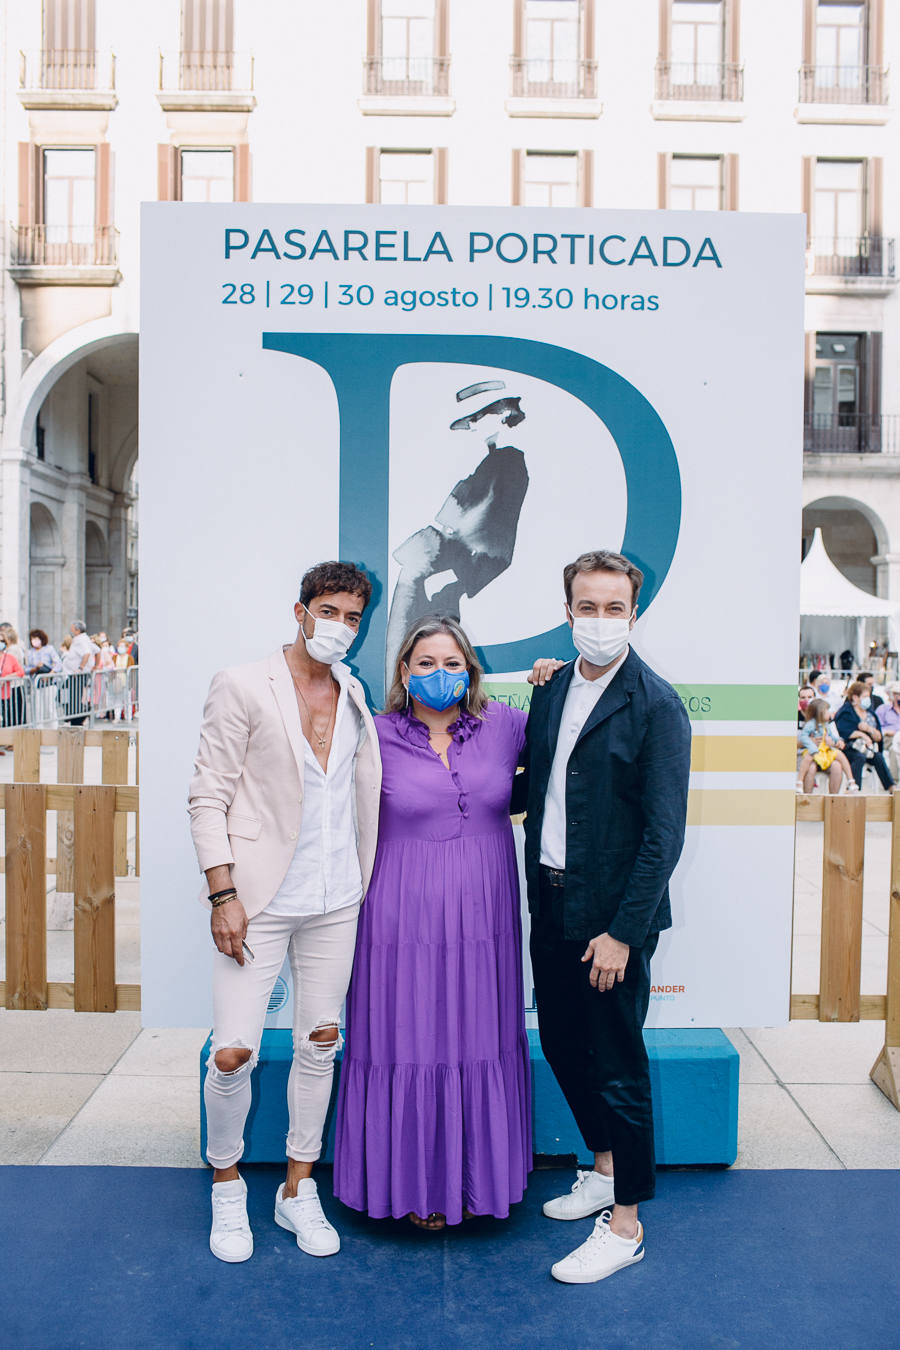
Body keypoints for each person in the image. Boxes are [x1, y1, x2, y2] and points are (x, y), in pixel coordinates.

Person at [188, 561, 381, 1265]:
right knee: (233, 1051)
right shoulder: (242, 684)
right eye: (328, 611)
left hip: (335, 901)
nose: (340, 626)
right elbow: (207, 794)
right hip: (257, 901)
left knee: (319, 1044)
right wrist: (222, 893)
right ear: (299, 611)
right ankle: (227, 1180)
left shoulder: (354, 693)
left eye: (353, 617)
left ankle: (298, 1188)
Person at [513, 549, 690, 1285]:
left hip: (612, 920)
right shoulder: (551, 691)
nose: (600, 620)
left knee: (617, 1067)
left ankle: (626, 1224)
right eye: (587, 607)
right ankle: (603, 1168)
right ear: (567, 612)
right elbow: (532, 784)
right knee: (559, 1041)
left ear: (634, 614)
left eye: (614, 608)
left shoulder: (656, 705)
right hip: (550, 899)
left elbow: (663, 836)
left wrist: (622, 932)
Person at [334, 615, 531, 1230]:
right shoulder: (373, 734)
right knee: (406, 1039)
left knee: (479, 1040)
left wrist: (555, 677)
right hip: (397, 918)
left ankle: (475, 1184)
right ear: (403, 671)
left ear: (470, 671)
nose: (438, 674)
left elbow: (573, 755)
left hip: (485, 917)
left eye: (452, 664)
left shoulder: (507, 725)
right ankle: (411, 1187)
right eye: (424, 663)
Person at [384, 379, 529, 683]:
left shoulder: (508, 465)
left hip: (449, 567)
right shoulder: (491, 464)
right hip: (436, 561)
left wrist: (453, 573)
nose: (469, 428)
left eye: (477, 419)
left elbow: (497, 546)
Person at [834, 680, 895, 792]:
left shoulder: (871, 714)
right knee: (859, 757)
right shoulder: (846, 712)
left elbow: (878, 736)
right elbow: (843, 731)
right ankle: (855, 789)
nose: (868, 699)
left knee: (878, 757)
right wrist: (862, 734)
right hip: (849, 748)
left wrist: (869, 729)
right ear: (855, 697)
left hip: (869, 748)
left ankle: (891, 787)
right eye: (865, 696)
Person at [797, 698, 857, 793]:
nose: (829, 713)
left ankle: (850, 782)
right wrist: (811, 743)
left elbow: (834, 736)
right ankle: (806, 795)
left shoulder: (826, 724)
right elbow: (803, 738)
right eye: (827, 711)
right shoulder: (809, 724)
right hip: (813, 752)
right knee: (810, 767)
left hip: (824, 752)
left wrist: (835, 742)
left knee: (838, 761)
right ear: (819, 713)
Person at [61, 620, 98, 726]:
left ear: (77, 630)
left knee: (72, 697)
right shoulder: (84, 639)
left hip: (77, 674)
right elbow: (97, 650)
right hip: (75, 674)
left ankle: (78, 716)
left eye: (72, 628)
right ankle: (74, 716)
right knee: (70, 697)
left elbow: (86, 653)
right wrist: (95, 666)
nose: (70, 629)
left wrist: (80, 668)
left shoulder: (80, 640)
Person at [0, 634, 26, 741]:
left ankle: (8, 740)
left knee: (7, 717)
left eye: (1, 640)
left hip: (5, 692)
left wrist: (6, 677)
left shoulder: (10, 658)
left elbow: (20, 672)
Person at [876, 683, 900, 780]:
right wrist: (888, 732)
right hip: (888, 738)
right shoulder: (883, 709)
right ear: (893, 695)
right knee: (894, 748)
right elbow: (877, 727)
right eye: (897, 694)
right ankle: (893, 782)